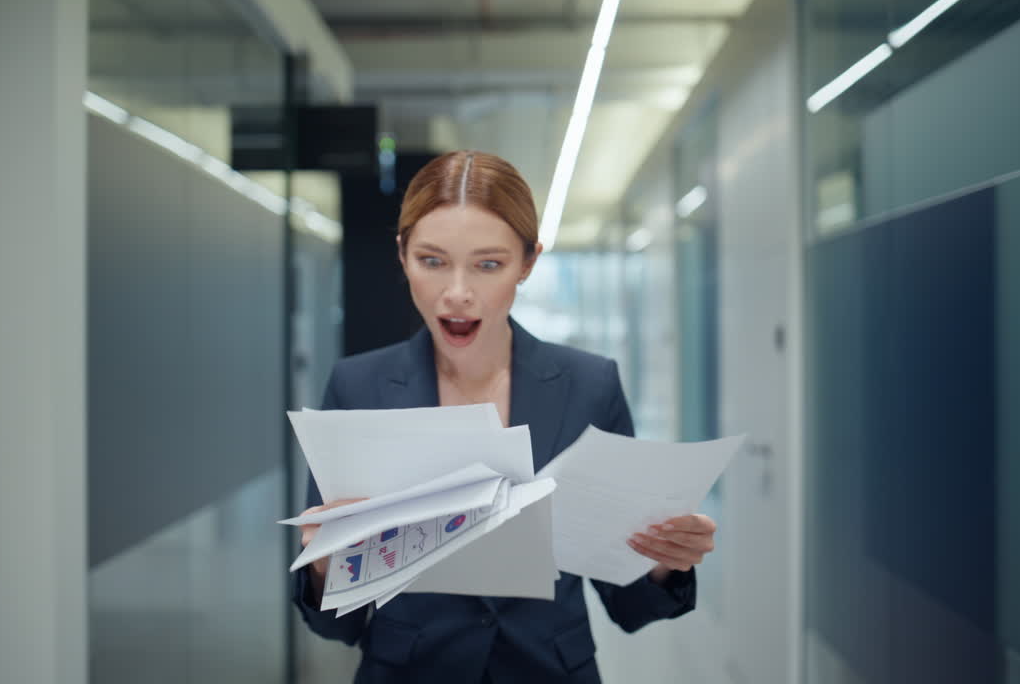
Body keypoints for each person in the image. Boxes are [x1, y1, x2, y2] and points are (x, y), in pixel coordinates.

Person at [292, 151, 717, 683]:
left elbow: (629, 604)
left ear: (528, 262)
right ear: (402, 255)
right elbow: (338, 627)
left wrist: (661, 560)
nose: (457, 293)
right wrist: (327, 565)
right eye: (432, 261)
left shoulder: (589, 386)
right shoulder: (359, 387)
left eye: (488, 264)